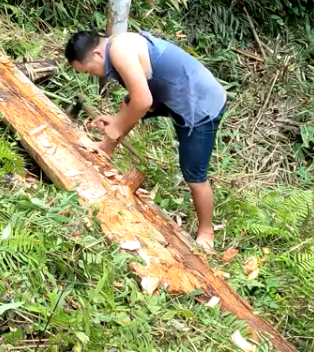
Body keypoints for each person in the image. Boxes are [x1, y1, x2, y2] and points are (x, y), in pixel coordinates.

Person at [64, 30, 227, 250]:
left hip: (199, 104)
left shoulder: (120, 51)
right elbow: (138, 102)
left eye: (89, 70)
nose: (93, 75)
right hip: (170, 92)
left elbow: (143, 101)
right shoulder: (117, 46)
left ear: (97, 54)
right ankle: (106, 149)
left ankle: (206, 232)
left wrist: (119, 125)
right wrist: (117, 120)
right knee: (127, 103)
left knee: (194, 175)